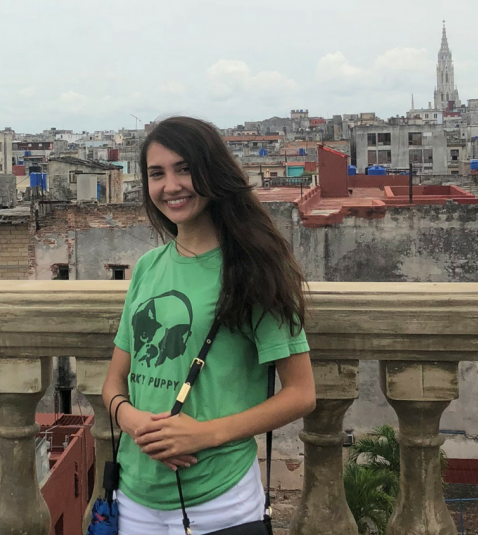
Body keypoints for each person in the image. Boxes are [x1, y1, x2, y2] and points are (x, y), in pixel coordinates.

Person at [102, 116, 317, 535]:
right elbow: (114, 381)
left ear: (212, 173)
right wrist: (128, 418)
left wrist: (204, 435)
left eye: (184, 169)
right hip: (134, 496)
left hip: (218, 500)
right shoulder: (149, 267)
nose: (171, 186)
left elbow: (301, 393)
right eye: (157, 173)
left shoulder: (253, 268)